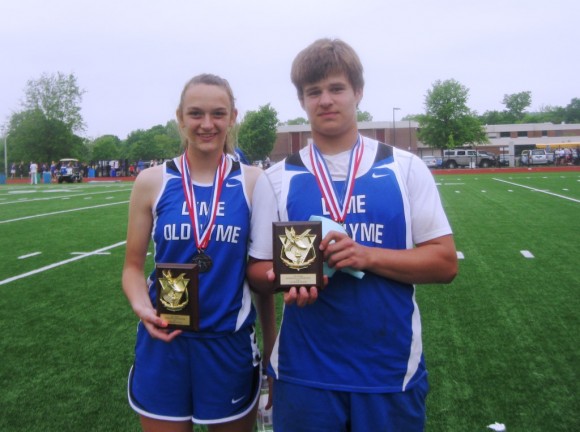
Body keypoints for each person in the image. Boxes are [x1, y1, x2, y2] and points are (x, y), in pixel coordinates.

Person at [247, 38, 458, 432]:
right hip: (304, 370)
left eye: (336, 88)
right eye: (314, 92)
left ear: (358, 92)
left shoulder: (406, 168)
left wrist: (367, 256)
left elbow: (444, 263)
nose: (325, 100)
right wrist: (284, 279)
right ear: (302, 101)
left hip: (389, 369)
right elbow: (257, 269)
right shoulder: (276, 179)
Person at [122, 73, 276, 432]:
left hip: (229, 344)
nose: (207, 124)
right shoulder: (152, 181)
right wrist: (140, 305)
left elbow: (260, 281)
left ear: (233, 116)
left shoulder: (254, 182)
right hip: (164, 340)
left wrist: (270, 349)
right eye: (196, 114)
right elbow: (131, 268)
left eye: (218, 114)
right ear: (180, 117)